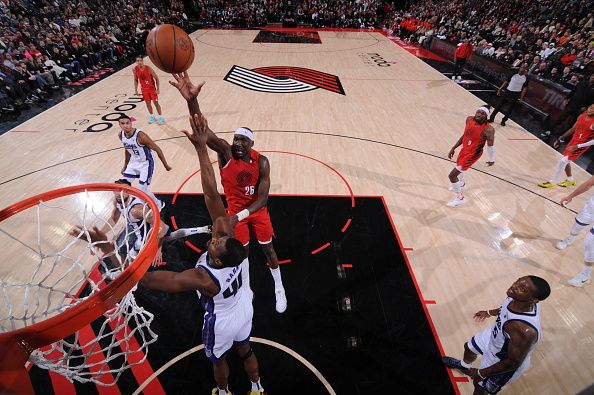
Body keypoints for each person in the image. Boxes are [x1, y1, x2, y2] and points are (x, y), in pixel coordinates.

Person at [76, 114, 265, 395]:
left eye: (213, 246)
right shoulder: (235, 248)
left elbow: (147, 281)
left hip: (224, 319)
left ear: (216, 260)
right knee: (246, 350)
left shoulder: (204, 278)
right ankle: (257, 386)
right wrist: (202, 149)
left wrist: (108, 251)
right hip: (244, 306)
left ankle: (223, 391)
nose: (213, 240)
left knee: (220, 358)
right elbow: (212, 195)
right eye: (217, 239)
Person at [169, 72, 288, 313]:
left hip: (255, 212)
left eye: (243, 140)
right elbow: (203, 128)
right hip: (234, 213)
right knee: (241, 253)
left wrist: (240, 216)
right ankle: (246, 289)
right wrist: (191, 100)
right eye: (236, 139)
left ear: (252, 145)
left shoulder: (262, 162)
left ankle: (279, 285)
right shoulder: (225, 151)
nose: (238, 144)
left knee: (268, 249)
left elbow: (263, 198)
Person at [443, 276, 551, 394]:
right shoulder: (516, 297)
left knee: (479, 386)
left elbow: (513, 363)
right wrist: (489, 313)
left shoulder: (524, 330)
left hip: (502, 359)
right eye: (518, 281)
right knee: (469, 348)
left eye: (522, 288)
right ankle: (464, 366)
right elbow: (505, 309)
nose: (514, 286)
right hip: (497, 335)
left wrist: (480, 373)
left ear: (533, 300)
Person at [119, 114, 171, 209]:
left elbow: (157, 149)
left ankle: (158, 204)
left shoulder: (141, 136)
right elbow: (127, 150)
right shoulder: (121, 135)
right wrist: (125, 165)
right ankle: (132, 207)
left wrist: (166, 165)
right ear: (119, 125)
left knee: (142, 190)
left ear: (131, 123)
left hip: (145, 164)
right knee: (122, 186)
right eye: (122, 123)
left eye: (127, 123)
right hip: (133, 163)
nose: (125, 125)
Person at [447, 106, 496, 207]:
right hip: (465, 149)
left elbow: (490, 146)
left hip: (473, 153)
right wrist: (454, 147)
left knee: (452, 175)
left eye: (483, 113)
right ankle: (462, 183)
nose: (479, 114)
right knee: (459, 168)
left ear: (487, 116)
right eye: (478, 112)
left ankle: (459, 198)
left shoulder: (488, 129)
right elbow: (465, 135)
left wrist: (492, 159)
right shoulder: (469, 119)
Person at [538, 104, 594, 188]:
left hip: (581, 145)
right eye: (590, 108)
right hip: (573, 141)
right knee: (566, 161)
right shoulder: (582, 116)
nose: (591, 110)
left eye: (593, 109)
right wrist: (560, 138)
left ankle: (552, 182)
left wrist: (578, 146)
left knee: (563, 161)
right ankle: (570, 180)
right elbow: (572, 129)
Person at [554, 175, 594, 287]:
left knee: (589, 241)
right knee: (577, 226)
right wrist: (570, 196)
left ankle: (585, 276)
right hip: (592, 207)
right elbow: (589, 183)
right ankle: (569, 240)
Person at [133, 56, 164, 125]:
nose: (139, 62)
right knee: (148, 104)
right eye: (137, 61)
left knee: (156, 103)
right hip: (144, 90)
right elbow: (135, 80)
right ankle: (152, 116)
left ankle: (161, 117)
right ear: (136, 62)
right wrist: (135, 90)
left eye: (140, 60)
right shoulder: (135, 69)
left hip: (152, 89)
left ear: (143, 61)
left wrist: (158, 89)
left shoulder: (148, 68)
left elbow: (157, 78)